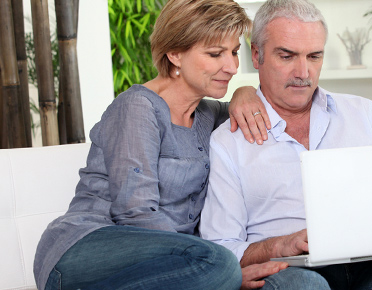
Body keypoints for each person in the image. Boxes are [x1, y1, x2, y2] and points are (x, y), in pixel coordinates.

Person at [200, 0, 372, 289]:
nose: (303, 72)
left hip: (369, 267)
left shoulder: (363, 114)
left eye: (314, 56)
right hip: (289, 271)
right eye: (287, 56)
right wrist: (279, 246)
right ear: (257, 55)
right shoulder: (229, 140)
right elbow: (221, 248)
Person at [33, 0, 272, 289]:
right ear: (174, 54)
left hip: (170, 259)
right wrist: (213, 266)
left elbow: (242, 108)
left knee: (253, 274)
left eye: (234, 52)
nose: (232, 66)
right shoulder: (138, 107)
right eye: (214, 54)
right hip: (85, 248)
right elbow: (135, 213)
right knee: (222, 265)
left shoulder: (208, 114)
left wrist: (245, 91)